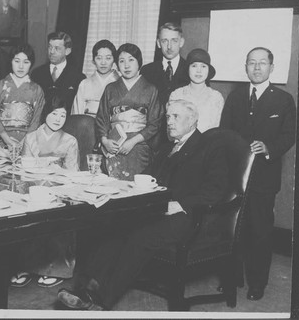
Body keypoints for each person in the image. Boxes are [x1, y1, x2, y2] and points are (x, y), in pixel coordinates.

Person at [57, 99, 230, 310]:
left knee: (141, 236)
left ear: (193, 120)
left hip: (191, 217)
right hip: (159, 210)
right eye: (168, 117)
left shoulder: (211, 146)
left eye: (176, 117)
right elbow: (148, 177)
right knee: (116, 226)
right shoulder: (168, 147)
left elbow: (216, 190)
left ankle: (102, 300)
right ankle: (85, 287)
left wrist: (181, 204)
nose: (170, 122)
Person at [220, 47, 296, 301]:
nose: (256, 67)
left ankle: (257, 283)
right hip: (234, 177)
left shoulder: (284, 100)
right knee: (232, 229)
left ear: (271, 67)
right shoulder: (235, 96)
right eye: (252, 63)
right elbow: (224, 132)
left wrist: (268, 148)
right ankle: (231, 278)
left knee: (260, 232)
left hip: (264, 177)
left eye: (262, 63)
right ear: (245, 67)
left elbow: (289, 135)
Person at [11, 95, 79, 289]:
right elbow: (25, 168)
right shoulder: (31, 137)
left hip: (58, 190)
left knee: (58, 215)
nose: (58, 119)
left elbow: (72, 173)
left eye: (63, 115)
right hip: (33, 187)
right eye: (54, 113)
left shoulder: (70, 140)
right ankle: (24, 265)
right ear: (45, 114)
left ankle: (55, 269)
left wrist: (56, 175)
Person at [96, 43, 162, 181]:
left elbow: (154, 123)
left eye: (131, 60)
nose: (126, 65)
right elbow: (102, 119)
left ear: (139, 62)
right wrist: (105, 141)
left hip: (139, 145)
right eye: (121, 61)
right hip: (113, 145)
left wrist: (132, 142)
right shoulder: (110, 89)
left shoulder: (150, 89)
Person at [0, 43, 45, 148]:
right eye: (17, 61)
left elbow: (37, 119)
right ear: (11, 62)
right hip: (1, 139)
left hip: (27, 141)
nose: (21, 66)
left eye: (26, 62)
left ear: (31, 64)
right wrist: (7, 140)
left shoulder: (36, 90)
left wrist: (23, 142)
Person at [169, 48, 224, 132]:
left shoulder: (216, 97)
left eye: (203, 66)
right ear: (188, 69)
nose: (199, 70)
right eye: (194, 66)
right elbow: (172, 129)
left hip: (209, 143)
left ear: (208, 70)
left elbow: (216, 129)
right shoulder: (176, 95)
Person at [31, 31, 85, 114]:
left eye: (57, 48)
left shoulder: (78, 78)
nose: (52, 51)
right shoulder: (36, 74)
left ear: (67, 51)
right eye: (50, 47)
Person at [140, 22, 189, 105]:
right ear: (158, 43)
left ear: (181, 42)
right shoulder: (147, 71)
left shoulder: (190, 70)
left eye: (174, 41)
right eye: (164, 41)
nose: (169, 46)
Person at [71, 40, 119, 117]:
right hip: (87, 126)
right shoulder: (84, 84)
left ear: (114, 60)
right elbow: (77, 114)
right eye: (99, 58)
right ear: (93, 60)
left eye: (108, 58)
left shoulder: (120, 82)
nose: (103, 62)